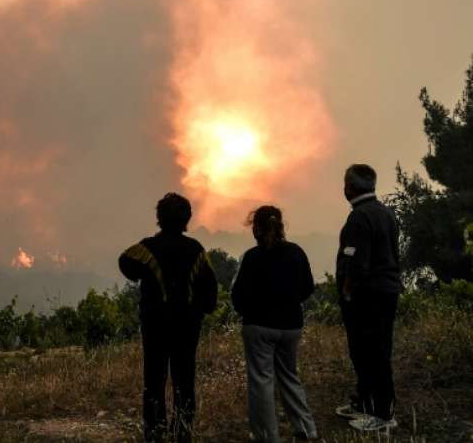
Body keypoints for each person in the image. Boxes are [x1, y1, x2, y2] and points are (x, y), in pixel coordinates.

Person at [118, 192, 218, 443]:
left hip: (155, 326)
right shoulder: (196, 250)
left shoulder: (147, 248)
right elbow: (210, 291)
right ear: (187, 219)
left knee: (154, 379)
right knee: (184, 379)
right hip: (187, 327)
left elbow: (125, 263)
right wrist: (201, 309)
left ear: (159, 218)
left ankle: (154, 433)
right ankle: (182, 431)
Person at [231, 206, 318, 442]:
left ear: (256, 228)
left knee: (261, 381)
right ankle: (306, 429)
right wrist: (289, 303)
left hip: (258, 326)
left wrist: (248, 311)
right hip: (291, 325)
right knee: (290, 376)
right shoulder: (296, 252)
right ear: (280, 225)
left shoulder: (252, 257)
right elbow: (308, 286)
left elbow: (237, 296)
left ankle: (268, 436)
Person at [334, 163, 401, 432]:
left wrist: (348, 292)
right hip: (387, 291)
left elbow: (356, 261)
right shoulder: (386, 213)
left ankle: (383, 414)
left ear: (349, 187)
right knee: (374, 350)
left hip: (368, 296)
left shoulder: (359, 217)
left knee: (370, 352)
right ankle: (364, 402)